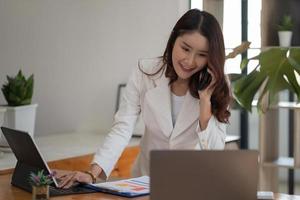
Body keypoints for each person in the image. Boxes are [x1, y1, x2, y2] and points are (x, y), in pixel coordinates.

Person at [56, 8, 231, 188]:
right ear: (173, 41)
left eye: (202, 55)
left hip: (191, 186)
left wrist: (205, 103)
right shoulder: (145, 72)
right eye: (185, 49)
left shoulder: (216, 83)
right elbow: (122, 127)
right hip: (146, 181)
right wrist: (92, 173)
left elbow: (215, 151)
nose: (190, 61)